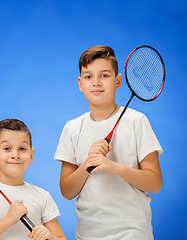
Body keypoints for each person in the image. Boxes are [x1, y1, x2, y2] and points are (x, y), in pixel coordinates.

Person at [54, 45, 163, 240]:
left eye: (104, 75)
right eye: (88, 77)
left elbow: (155, 183)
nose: (96, 82)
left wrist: (115, 168)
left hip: (132, 231)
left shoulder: (136, 121)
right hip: (87, 233)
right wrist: (87, 164)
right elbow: (67, 191)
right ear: (80, 83)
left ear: (118, 80)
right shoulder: (72, 128)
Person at [0, 119, 67, 240]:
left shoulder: (42, 196)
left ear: (31, 155)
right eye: (7, 148)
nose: (15, 155)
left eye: (22, 149)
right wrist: (8, 220)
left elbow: (61, 238)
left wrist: (51, 237)